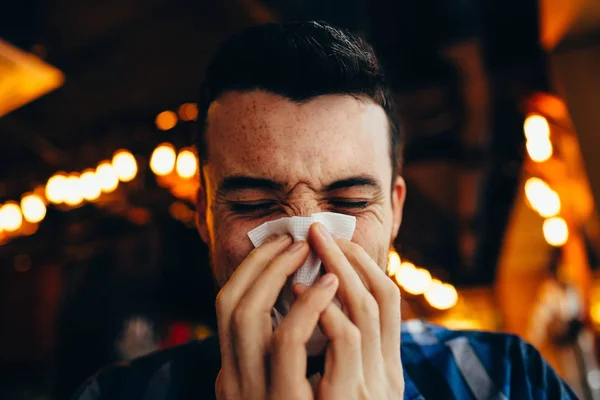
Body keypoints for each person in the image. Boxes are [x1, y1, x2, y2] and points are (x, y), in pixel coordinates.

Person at [72, 21, 576, 399]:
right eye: (254, 205)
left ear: (394, 211)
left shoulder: (508, 380)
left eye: (351, 203)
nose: (309, 246)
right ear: (205, 215)